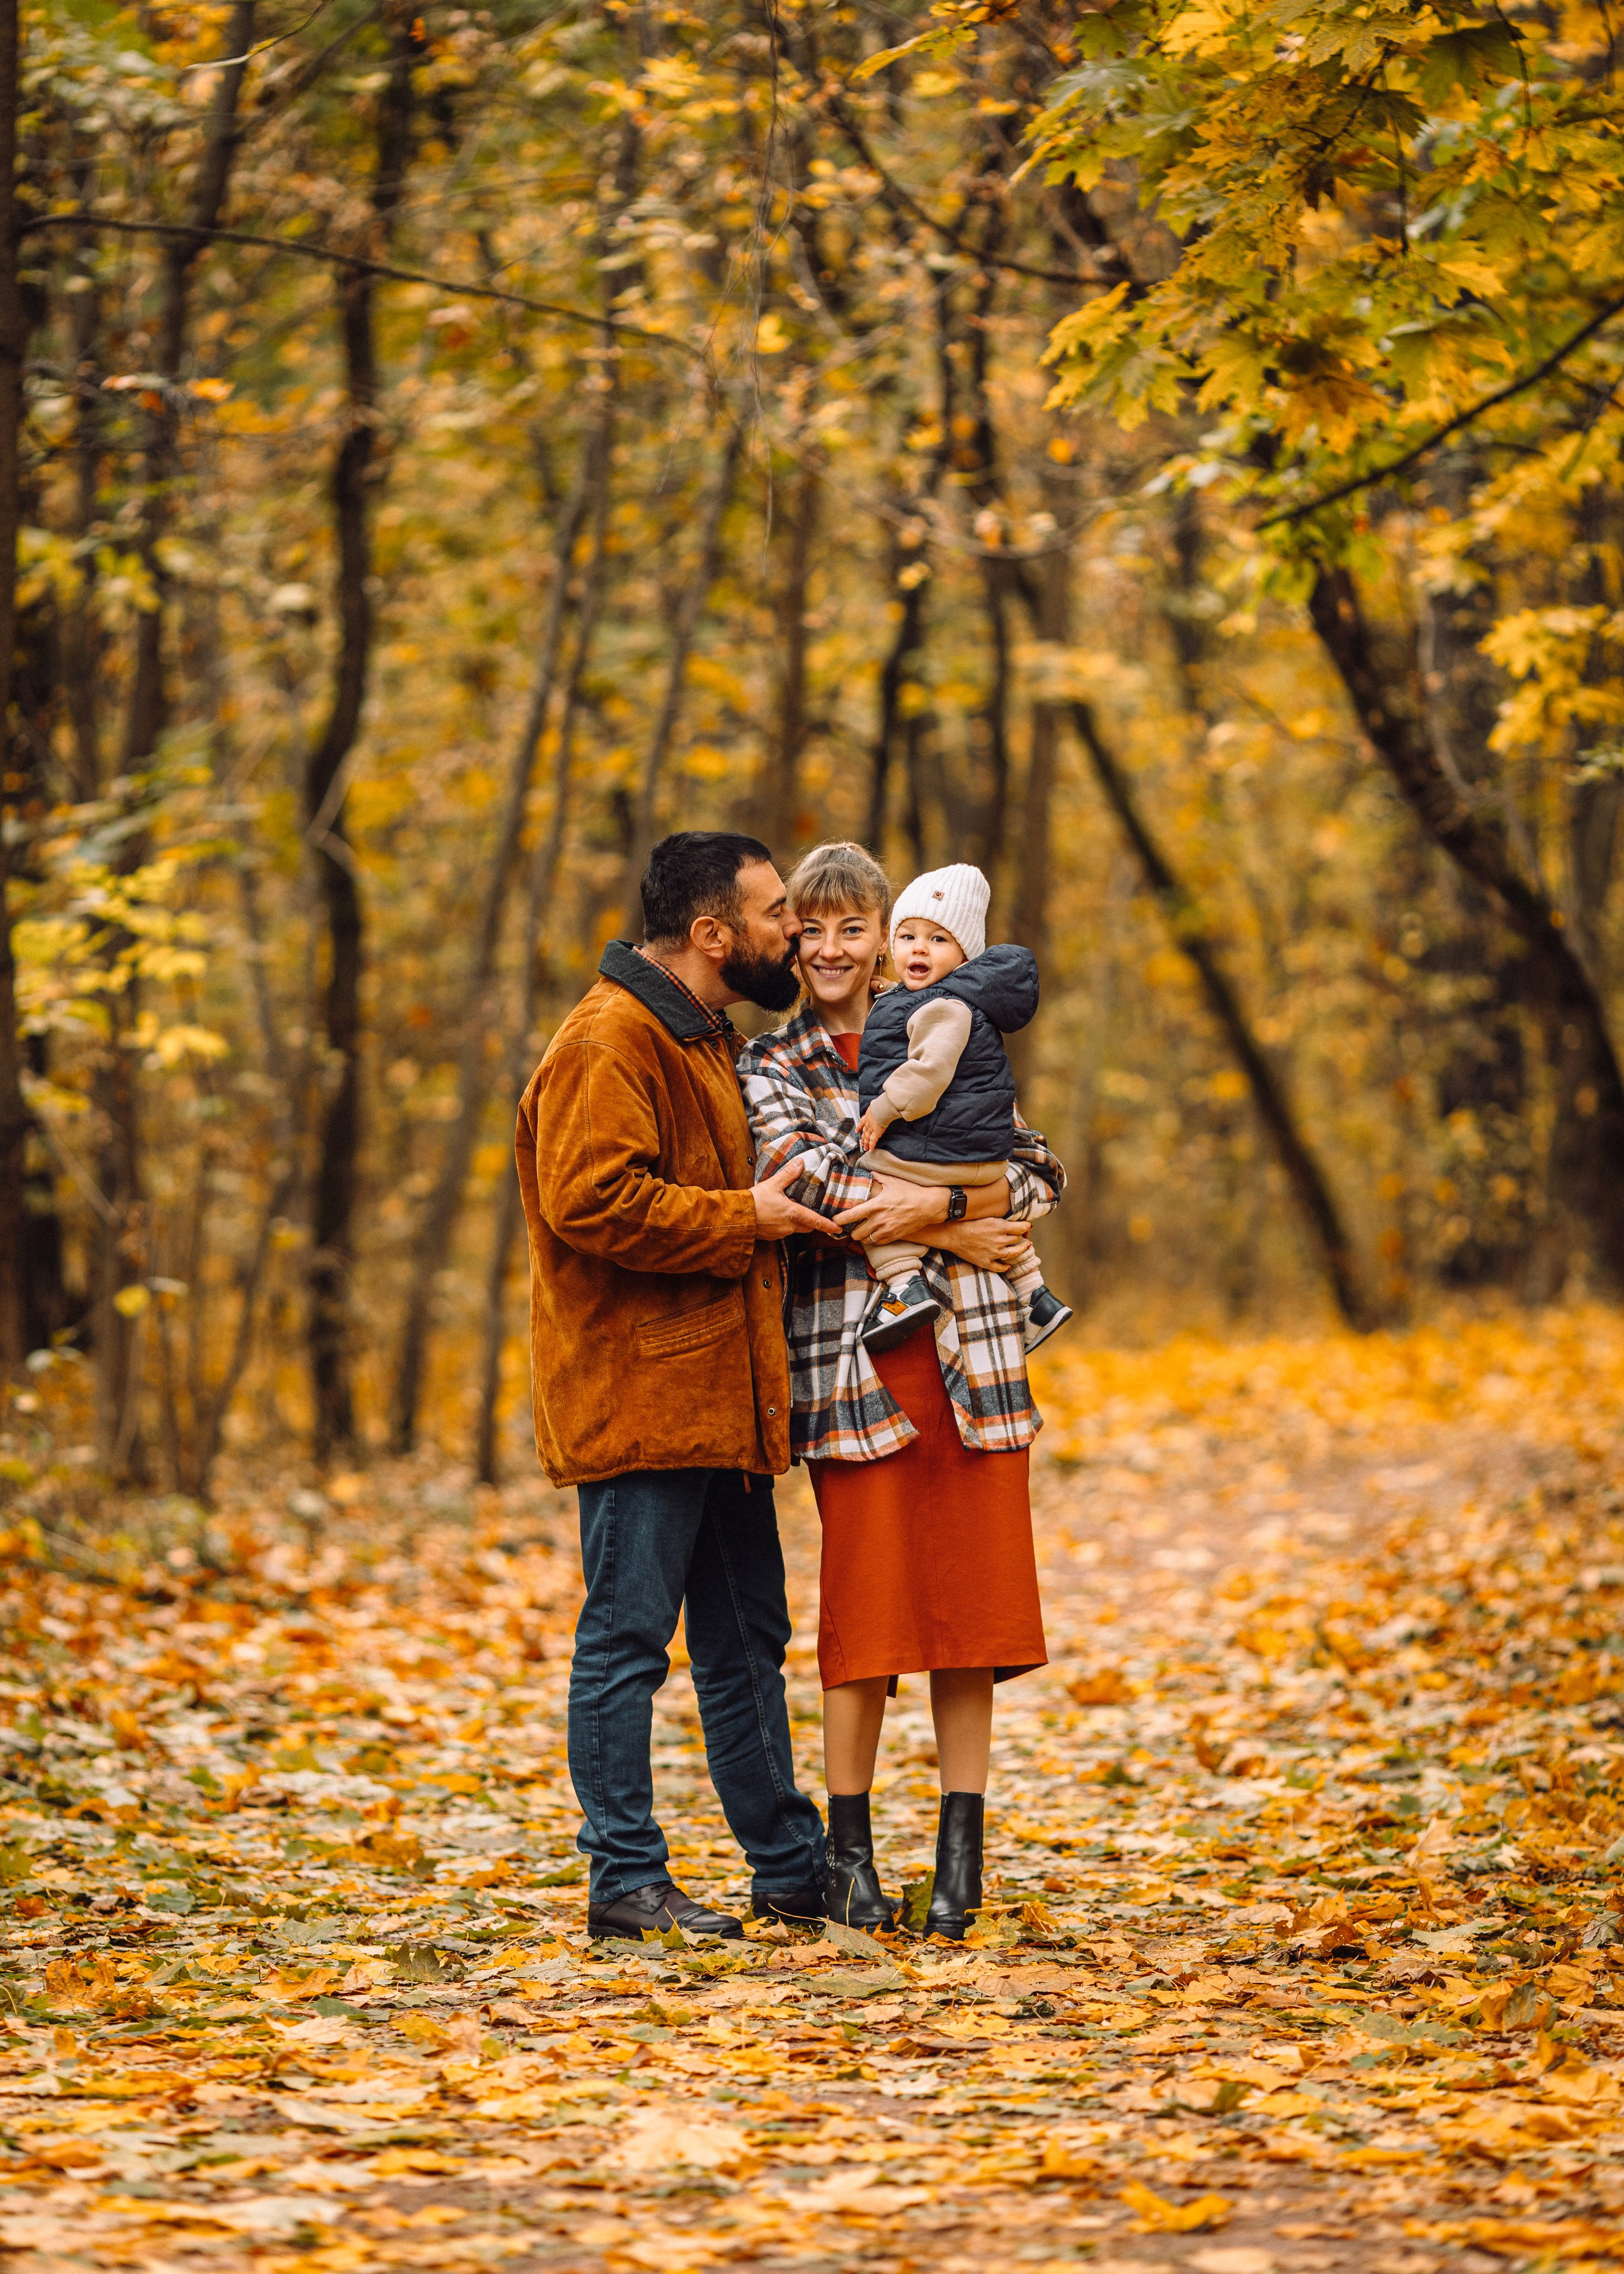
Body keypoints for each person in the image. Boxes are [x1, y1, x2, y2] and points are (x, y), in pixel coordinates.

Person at [738, 841, 1065, 1941]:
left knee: (973, 1610)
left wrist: (963, 1203)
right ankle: (852, 1858)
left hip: (972, 1351)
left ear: (884, 934)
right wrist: (955, 1215)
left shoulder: (947, 1013)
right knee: (867, 1613)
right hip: (852, 1358)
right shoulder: (770, 1060)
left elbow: (1036, 1162)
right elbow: (811, 1179)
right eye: (813, 929)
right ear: (792, 939)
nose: (832, 949)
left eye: (854, 928)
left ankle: (962, 1854)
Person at [516, 831, 834, 1942]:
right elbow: (593, 1199)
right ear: (712, 933)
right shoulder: (611, 1038)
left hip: (722, 1401)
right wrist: (746, 1214)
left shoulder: (697, 1035)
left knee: (748, 1640)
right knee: (628, 1641)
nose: (793, 928)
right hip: (644, 1401)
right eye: (776, 910)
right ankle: (625, 1880)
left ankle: (793, 1868)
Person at [853, 862, 1073, 1355]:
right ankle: (1034, 1295)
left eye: (937, 940)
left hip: (941, 1158)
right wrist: (957, 1232)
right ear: (891, 944)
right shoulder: (946, 1004)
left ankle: (902, 1287)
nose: (919, 949)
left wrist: (883, 1112)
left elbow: (925, 1076)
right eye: (908, 936)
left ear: (964, 957)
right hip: (983, 1163)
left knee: (870, 1177)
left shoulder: (943, 1006)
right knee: (996, 1230)